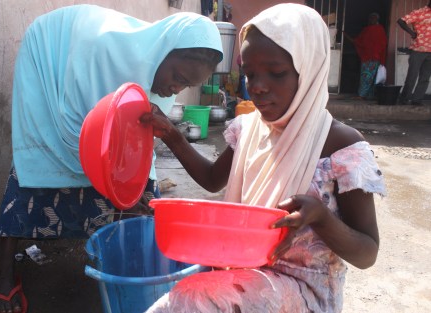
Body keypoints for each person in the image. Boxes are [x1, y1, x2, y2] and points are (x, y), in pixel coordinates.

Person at [141, 3, 385, 312]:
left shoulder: (341, 146)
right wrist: (172, 135)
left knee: (190, 300)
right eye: (250, 74)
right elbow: (213, 180)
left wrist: (321, 218)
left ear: (309, 69)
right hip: (242, 267)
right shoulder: (250, 129)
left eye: (277, 72)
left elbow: (367, 253)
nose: (257, 86)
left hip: (304, 289)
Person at [0, 5, 223, 313]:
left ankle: (127, 253)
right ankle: (3, 269)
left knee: (139, 189)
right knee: (42, 155)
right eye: (177, 77)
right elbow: (75, 126)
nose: (176, 88)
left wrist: (127, 188)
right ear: (164, 50)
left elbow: (134, 142)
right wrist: (111, 186)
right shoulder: (101, 49)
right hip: (52, 60)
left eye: (186, 85)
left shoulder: (157, 70)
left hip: (88, 82)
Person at [344, 13, 387, 100]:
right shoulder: (367, 30)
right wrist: (346, 36)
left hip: (374, 57)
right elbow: (359, 42)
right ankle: (367, 95)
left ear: (377, 19)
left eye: (373, 18)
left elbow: (383, 44)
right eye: (370, 18)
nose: (371, 20)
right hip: (369, 57)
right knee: (367, 76)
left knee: (369, 76)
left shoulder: (379, 29)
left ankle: (363, 95)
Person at [397, 1, 431, 106]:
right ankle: (404, 99)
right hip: (418, 50)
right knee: (412, 76)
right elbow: (401, 21)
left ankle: (417, 99)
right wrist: (412, 33)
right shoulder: (419, 12)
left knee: (425, 78)